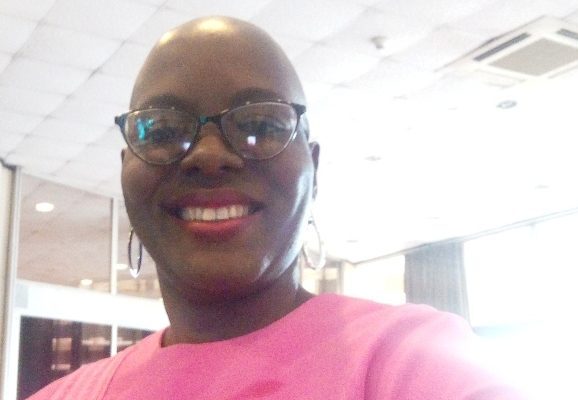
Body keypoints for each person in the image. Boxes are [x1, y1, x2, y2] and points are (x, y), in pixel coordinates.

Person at [28, 16, 525, 400]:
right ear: (126, 171)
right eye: (161, 130)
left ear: (313, 169)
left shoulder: (414, 362)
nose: (209, 155)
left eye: (262, 125)